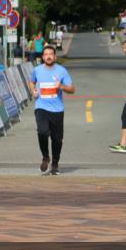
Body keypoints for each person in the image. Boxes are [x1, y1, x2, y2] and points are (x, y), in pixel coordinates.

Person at [28, 44, 74, 175]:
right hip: (41, 107)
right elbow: (31, 81)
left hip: (57, 110)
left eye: (51, 54)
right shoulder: (37, 70)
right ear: (42, 57)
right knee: (42, 132)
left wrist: (62, 87)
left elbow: (72, 89)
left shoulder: (61, 71)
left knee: (57, 139)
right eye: (46, 54)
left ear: (55, 56)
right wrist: (33, 90)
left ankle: (55, 163)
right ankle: (45, 156)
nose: (48, 56)